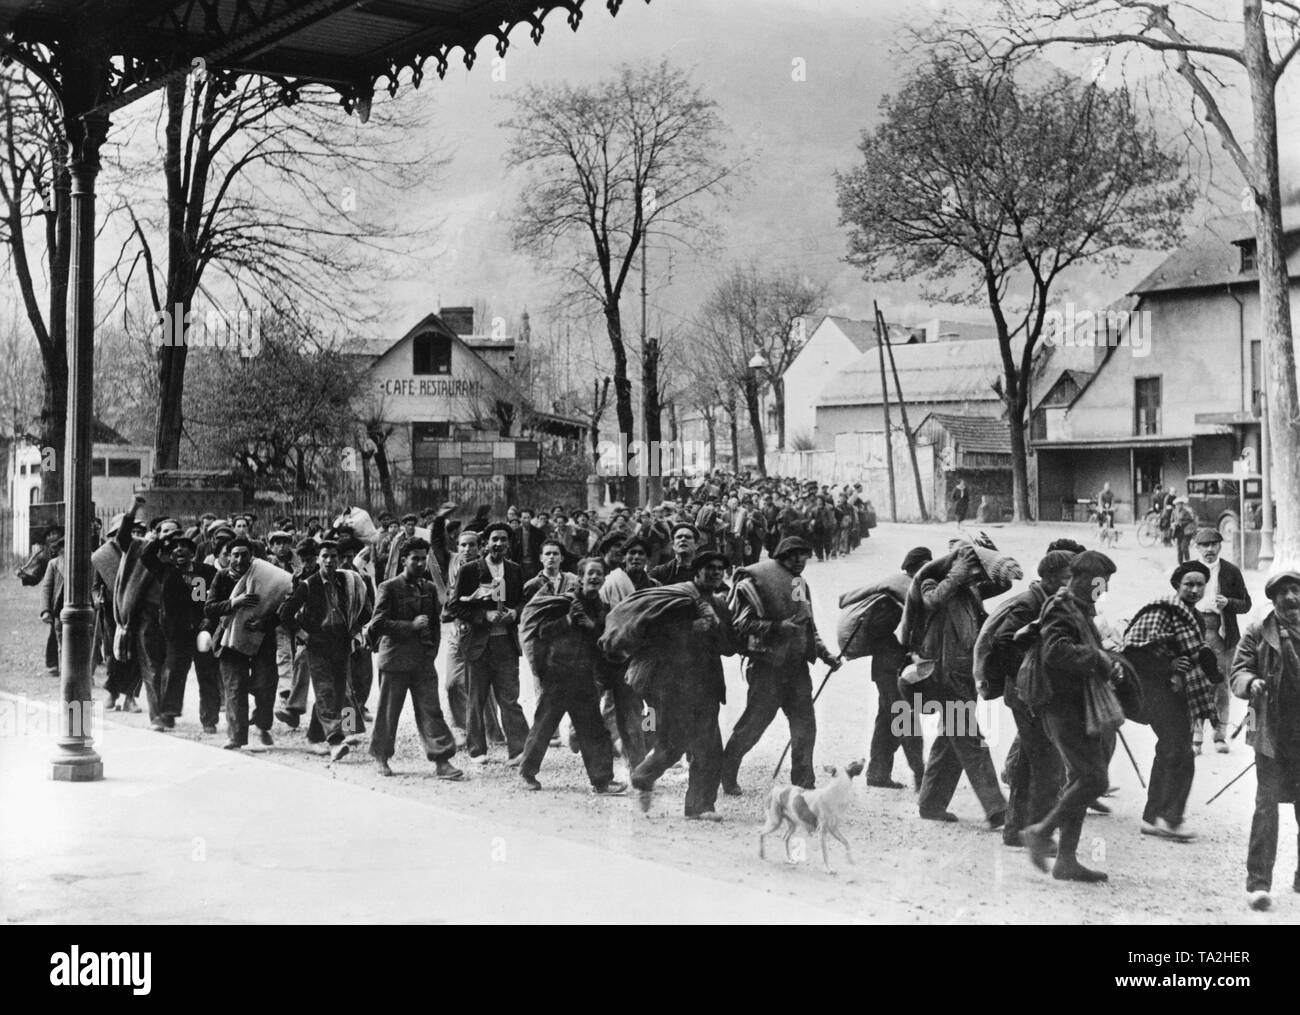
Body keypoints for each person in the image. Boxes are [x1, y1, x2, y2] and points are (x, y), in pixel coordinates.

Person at [1021, 551, 1123, 882]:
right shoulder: (1062, 607)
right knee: (1094, 779)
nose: (1102, 590)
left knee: (1082, 779)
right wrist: (1097, 658)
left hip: (1079, 704)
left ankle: (1066, 859)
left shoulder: (1080, 608)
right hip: (1061, 706)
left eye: (1104, 584)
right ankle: (1041, 831)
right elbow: (1055, 652)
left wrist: (1106, 661)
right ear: (1082, 580)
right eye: (1099, 583)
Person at [900, 541, 1015, 825]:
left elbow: (1002, 585)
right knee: (970, 738)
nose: (973, 572)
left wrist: (992, 555)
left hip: (963, 674)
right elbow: (933, 600)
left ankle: (931, 803)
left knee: (951, 740)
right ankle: (997, 808)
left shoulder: (968, 590)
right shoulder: (931, 581)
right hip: (941, 674)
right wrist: (958, 571)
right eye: (969, 565)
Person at [721, 536, 840, 794]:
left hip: (797, 669)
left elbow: (805, 625)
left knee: (805, 726)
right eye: (793, 555)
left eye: (804, 555)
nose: (800, 560)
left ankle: (804, 782)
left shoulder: (798, 583)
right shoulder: (756, 580)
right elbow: (741, 624)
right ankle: (726, 773)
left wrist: (825, 654)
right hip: (767, 668)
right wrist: (776, 628)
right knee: (753, 725)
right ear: (782, 555)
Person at [627, 551, 738, 820]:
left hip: (708, 686)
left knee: (709, 749)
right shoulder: (678, 602)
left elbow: (730, 647)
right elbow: (656, 637)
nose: (714, 573)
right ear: (697, 572)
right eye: (708, 568)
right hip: (674, 686)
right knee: (672, 745)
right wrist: (692, 628)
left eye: (719, 569)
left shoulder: (720, 605)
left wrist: (719, 628)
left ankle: (700, 806)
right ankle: (642, 777)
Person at [975, 549, 1075, 848]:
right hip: (1025, 694)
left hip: (1029, 692)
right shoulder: (1030, 602)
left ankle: (1015, 830)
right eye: (1067, 578)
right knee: (1046, 763)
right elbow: (1004, 640)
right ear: (1049, 577)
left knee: (1031, 762)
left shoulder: (1047, 600)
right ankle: (1035, 833)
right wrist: (1028, 673)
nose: (1070, 584)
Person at [1123, 560, 1219, 842]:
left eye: (1200, 584)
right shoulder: (1162, 610)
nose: (1194, 589)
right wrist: (1168, 665)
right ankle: (1167, 818)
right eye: (1188, 584)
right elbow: (1133, 652)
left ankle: (1155, 817)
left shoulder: (1194, 617)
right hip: (1155, 690)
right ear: (1176, 585)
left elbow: (1196, 657)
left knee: (1171, 750)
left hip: (1176, 693)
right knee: (1178, 751)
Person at [517, 558, 626, 795]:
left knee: (593, 730)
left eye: (599, 574)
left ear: (604, 579)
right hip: (557, 675)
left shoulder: (604, 609)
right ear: (580, 578)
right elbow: (542, 633)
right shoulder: (563, 604)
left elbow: (606, 642)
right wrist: (567, 621)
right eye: (590, 574)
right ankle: (527, 773)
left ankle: (602, 781)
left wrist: (591, 626)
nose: (595, 578)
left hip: (585, 678)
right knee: (543, 726)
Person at [1231, 569, 1300, 911]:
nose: (1290, 597)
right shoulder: (1259, 631)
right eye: (1283, 592)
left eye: (1295, 590)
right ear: (1272, 600)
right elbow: (1238, 671)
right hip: (1270, 731)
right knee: (1266, 805)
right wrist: (1251, 683)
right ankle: (1258, 885)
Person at [367, 538, 463, 780]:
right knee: (389, 712)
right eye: (415, 559)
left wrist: (430, 654)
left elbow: (435, 625)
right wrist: (409, 626)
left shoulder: (430, 589)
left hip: (422, 662)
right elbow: (377, 624)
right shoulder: (388, 587)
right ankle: (381, 757)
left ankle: (442, 760)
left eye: (423, 559)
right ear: (403, 560)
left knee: (432, 711)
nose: (420, 563)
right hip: (395, 661)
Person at [842, 547, 930, 790]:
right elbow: (879, 631)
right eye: (927, 565)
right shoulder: (895, 598)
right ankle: (921, 776)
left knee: (887, 720)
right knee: (905, 719)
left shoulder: (904, 592)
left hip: (890, 668)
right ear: (918, 566)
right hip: (890, 669)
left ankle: (878, 774)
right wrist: (903, 642)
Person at [278, 540, 370, 761]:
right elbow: (284, 614)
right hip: (317, 644)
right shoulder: (308, 584)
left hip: (341, 641)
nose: (329, 561)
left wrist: (356, 629)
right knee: (325, 691)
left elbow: (364, 608)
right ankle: (335, 740)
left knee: (342, 690)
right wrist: (303, 635)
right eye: (324, 556)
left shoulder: (347, 581)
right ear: (318, 559)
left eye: (333, 556)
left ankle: (321, 734)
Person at [447, 522, 530, 763]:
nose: (499, 544)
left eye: (504, 540)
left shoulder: (514, 570)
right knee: (476, 698)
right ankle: (477, 750)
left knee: (509, 699)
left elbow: (523, 601)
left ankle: (519, 749)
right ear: (486, 544)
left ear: (509, 544)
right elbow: (454, 605)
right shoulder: (471, 570)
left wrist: (514, 614)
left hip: (506, 644)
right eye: (494, 539)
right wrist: (483, 616)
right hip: (478, 644)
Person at [207, 537, 291, 750]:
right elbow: (209, 608)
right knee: (235, 687)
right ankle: (236, 736)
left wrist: (265, 622)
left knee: (265, 685)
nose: (239, 559)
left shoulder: (266, 576)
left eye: (244, 554)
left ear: (252, 556)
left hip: (262, 639)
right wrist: (235, 602)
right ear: (228, 556)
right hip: (230, 639)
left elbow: (282, 608)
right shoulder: (222, 577)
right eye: (234, 554)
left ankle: (262, 725)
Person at [143, 534, 221, 734]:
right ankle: (168, 714)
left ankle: (210, 720)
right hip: (176, 635)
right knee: (173, 673)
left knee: (208, 675)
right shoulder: (166, 572)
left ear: (193, 553)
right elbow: (147, 556)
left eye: (184, 547)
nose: (179, 550)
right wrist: (162, 538)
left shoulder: (206, 572)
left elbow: (215, 597)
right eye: (174, 548)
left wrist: (210, 619)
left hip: (202, 631)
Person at [1191, 527, 1252, 753]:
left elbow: (1246, 603)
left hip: (1223, 634)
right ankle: (1196, 737)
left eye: (1213, 544)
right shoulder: (1188, 572)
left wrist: (1229, 603)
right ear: (1196, 548)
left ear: (1220, 546)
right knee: (1196, 683)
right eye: (1204, 545)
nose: (1209, 549)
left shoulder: (1231, 571)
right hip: (1196, 631)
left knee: (1221, 683)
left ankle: (1219, 735)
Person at [1170, 496, 1197, 564]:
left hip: (1186, 532)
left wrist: (1180, 523)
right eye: (1177, 504)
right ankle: (1180, 564)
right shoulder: (1174, 512)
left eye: (1180, 504)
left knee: (1184, 547)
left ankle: (1188, 561)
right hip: (1178, 532)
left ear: (1182, 505)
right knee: (1179, 549)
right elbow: (1172, 520)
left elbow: (1190, 521)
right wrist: (1173, 524)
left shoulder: (1186, 512)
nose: (1178, 506)